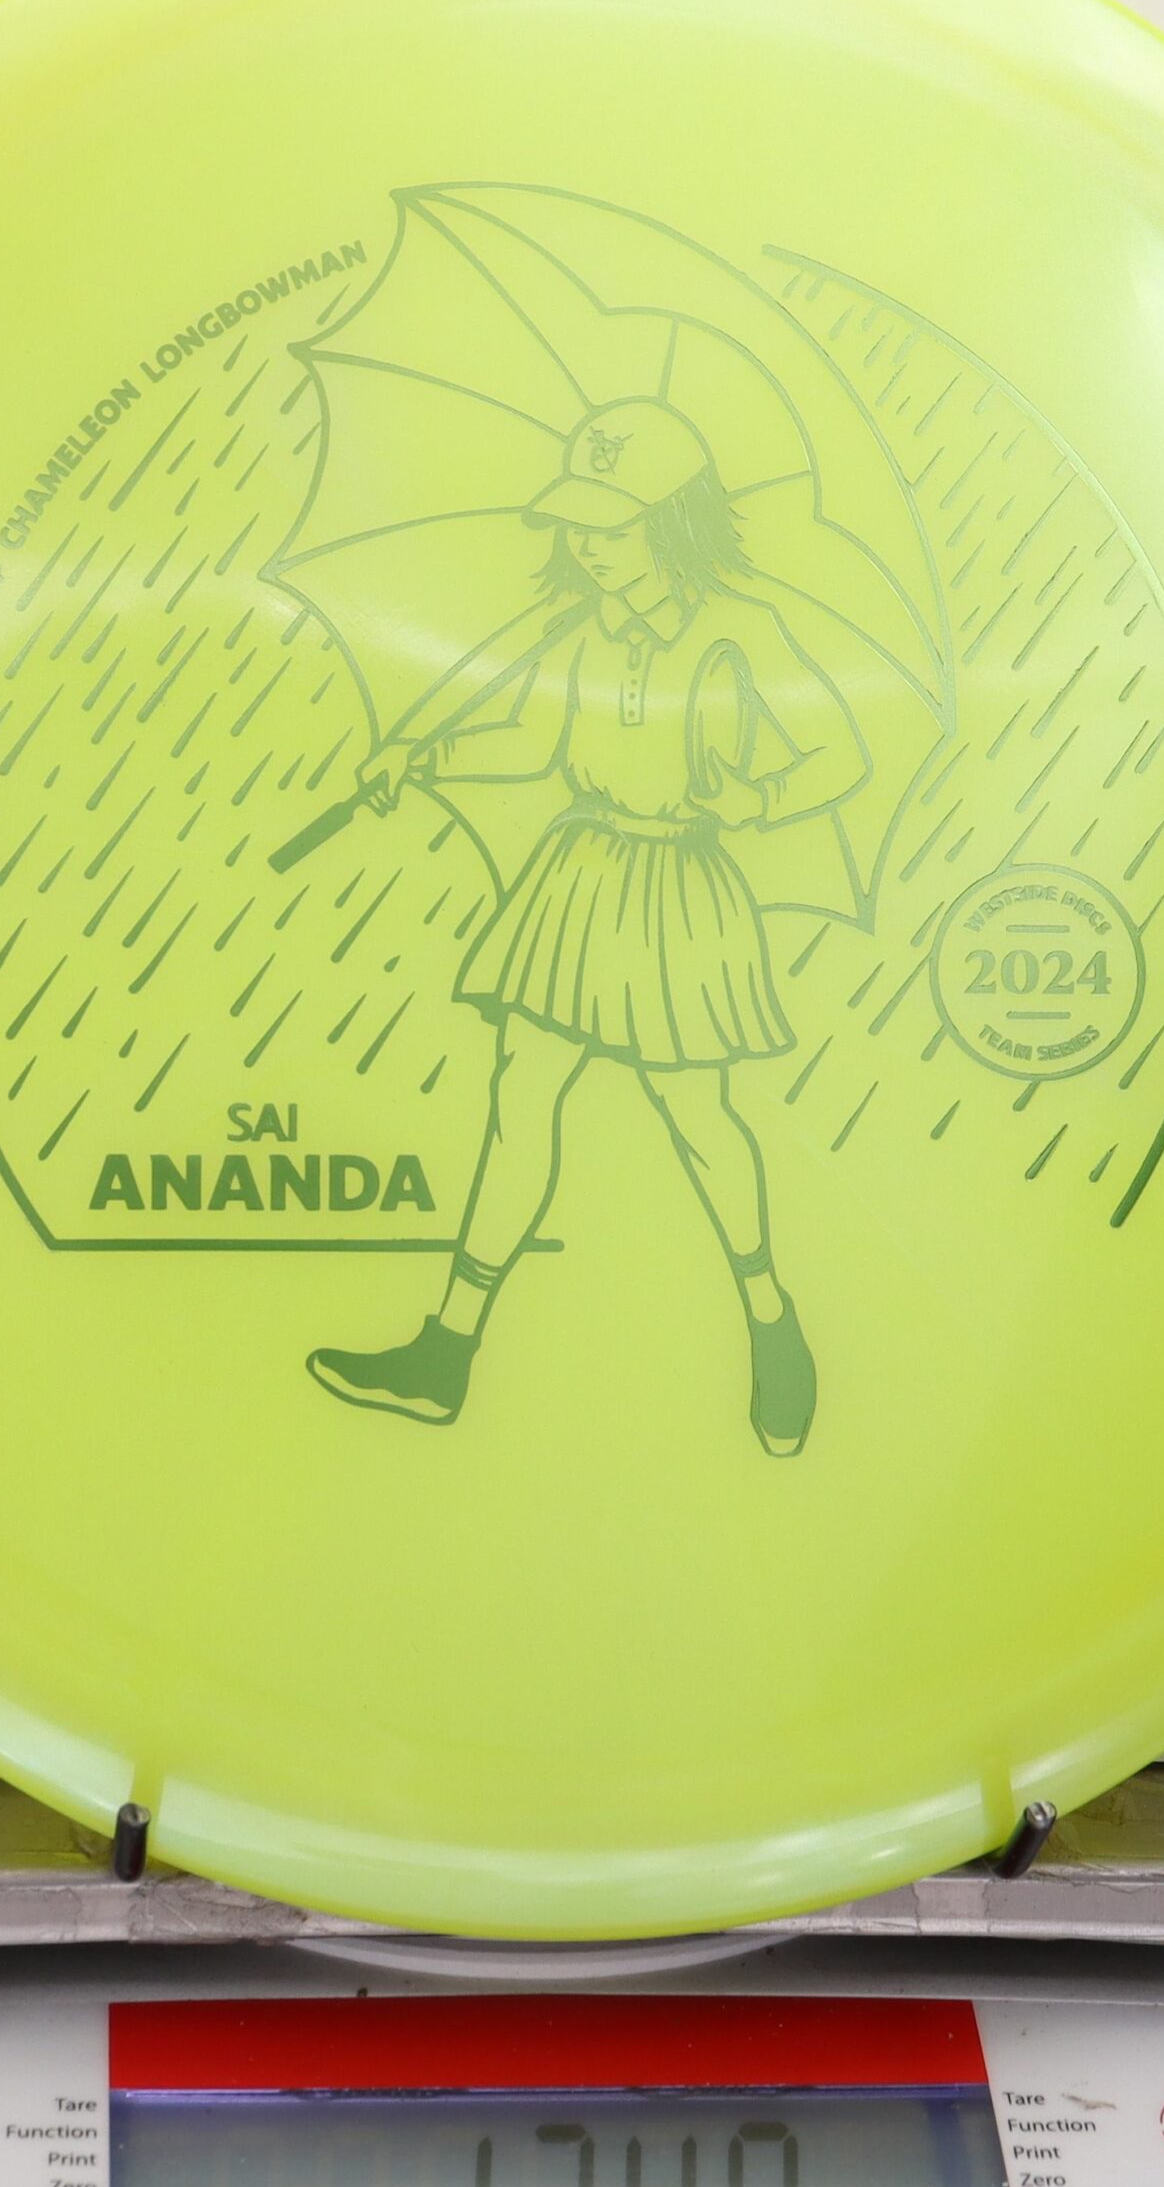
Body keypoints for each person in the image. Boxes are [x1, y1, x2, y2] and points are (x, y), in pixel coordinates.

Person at [307, 399, 869, 1456]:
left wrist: (755, 801)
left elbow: (840, 753)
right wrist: (424, 761)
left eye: (610, 524)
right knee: (520, 1098)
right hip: (578, 876)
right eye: (575, 524)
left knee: (698, 1116)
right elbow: (528, 743)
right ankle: (447, 1350)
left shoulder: (739, 627)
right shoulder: (580, 631)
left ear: (671, 521)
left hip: (677, 885)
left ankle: (771, 1322)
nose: (587, 545)